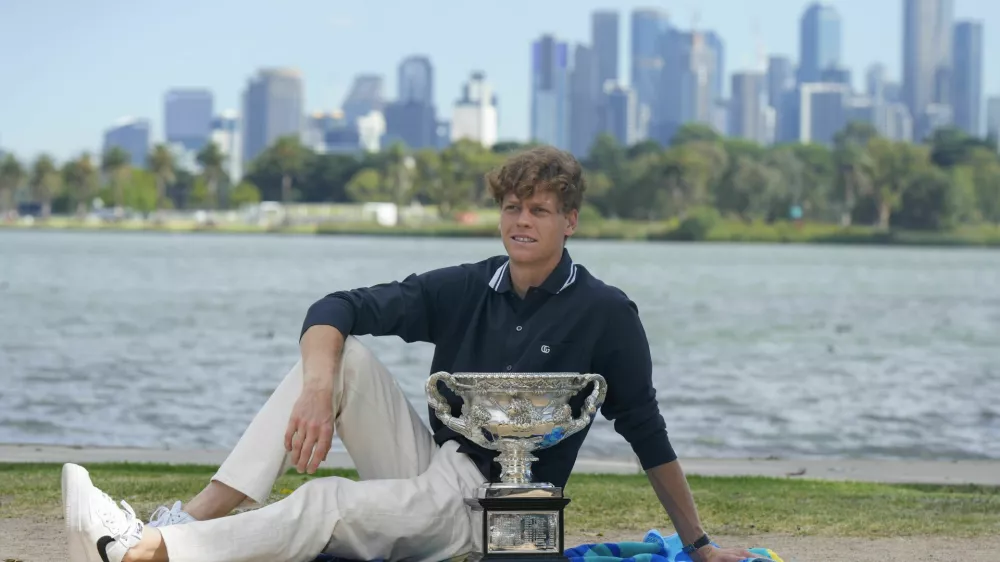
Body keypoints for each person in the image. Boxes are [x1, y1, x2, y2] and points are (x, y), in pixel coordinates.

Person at [62, 146, 762, 562]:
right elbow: (337, 307)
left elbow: (646, 428)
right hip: (434, 469)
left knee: (329, 499)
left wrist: (698, 546)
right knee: (348, 360)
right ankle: (190, 519)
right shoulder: (469, 286)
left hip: (488, 508)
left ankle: (150, 551)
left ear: (569, 221)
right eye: (513, 206)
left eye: (540, 210)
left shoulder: (606, 312)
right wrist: (317, 390)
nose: (522, 221)